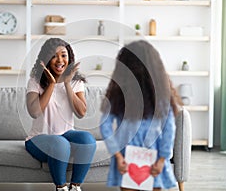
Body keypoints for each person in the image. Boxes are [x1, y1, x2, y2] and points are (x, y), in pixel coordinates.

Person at [99, 40, 182, 191]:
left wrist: (118, 155)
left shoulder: (120, 97)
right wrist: (162, 159)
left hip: (136, 158)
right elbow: (169, 130)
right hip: (147, 158)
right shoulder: (159, 98)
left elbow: (105, 126)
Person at [25, 38, 97, 191]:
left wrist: (67, 84)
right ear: (46, 59)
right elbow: (34, 112)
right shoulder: (35, 81)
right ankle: (61, 188)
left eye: (63, 55)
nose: (59, 60)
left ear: (69, 58)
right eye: (54, 55)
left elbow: (81, 113)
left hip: (65, 136)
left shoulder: (76, 82)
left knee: (87, 139)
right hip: (38, 139)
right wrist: (51, 84)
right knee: (59, 143)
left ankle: (75, 187)